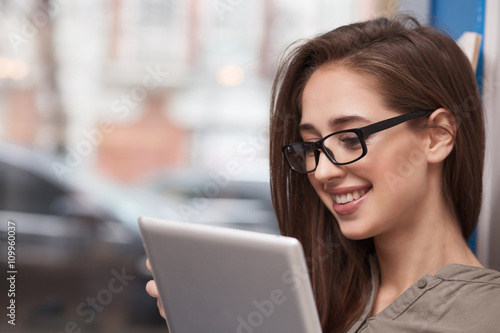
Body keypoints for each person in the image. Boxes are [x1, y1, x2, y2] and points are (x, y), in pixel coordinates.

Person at [146, 15, 500, 332]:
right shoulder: (307, 300)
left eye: (350, 138)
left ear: (438, 136)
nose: (324, 171)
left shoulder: (487, 315)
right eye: (311, 147)